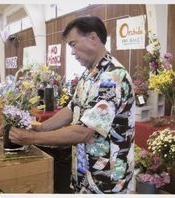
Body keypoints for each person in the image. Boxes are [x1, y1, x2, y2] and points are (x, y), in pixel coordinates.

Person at [9, 16, 135, 194]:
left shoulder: (112, 77)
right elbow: (71, 109)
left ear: (93, 38)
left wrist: (31, 138)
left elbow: (84, 131)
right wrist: (41, 128)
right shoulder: (89, 74)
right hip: (85, 173)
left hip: (107, 179)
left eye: (73, 44)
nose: (72, 52)